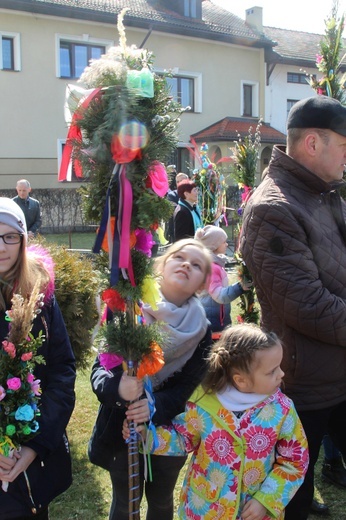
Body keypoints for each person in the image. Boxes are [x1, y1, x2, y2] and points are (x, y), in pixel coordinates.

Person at [239, 95, 346, 520]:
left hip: (337, 375)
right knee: (291, 499)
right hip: (305, 391)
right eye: (344, 145)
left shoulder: (323, 195)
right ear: (313, 144)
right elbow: (310, 306)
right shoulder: (273, 208)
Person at [125, 323, 309, 520]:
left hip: (254, 513)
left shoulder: (282, 409)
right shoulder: (203, 402)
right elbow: (182, 438)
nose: (281, 374)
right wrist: (148, 437)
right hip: (205, 509)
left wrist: (266, 501)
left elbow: (294, 461)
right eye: (272, 371)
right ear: (241, 380)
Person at [88, 238, 213, 520]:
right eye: (179, 257)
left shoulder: (202, 330)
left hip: (168, 431)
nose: (185, 265)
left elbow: (188, 387)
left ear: (203, 283)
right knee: (124, 501)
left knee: (160, 500)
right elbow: (101, 369)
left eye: (196, 265)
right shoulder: (128, 306)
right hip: (122, 427)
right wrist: (118, 389)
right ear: (162, 263)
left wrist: (153, 406)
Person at [0, 197, 76, 519]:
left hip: (31, 464)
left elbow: (61, 371)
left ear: (23, 241)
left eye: (10, 236)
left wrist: (35, 447)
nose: (1, 246)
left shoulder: (40, 297)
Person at [195, 225, 251, 338]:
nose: (226, 244)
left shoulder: (214, 264)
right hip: (213, 323)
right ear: (214, 245)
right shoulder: (212, 268)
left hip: (215, 320)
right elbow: (220, 296)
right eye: (224, 242)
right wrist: (240, 287)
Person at [165, 172, 189, 243]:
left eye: (181, 181)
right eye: (177, 181)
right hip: (177, 230)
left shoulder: (193, 193)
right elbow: (175, 209)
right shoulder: (172, 195)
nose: (179, 183)